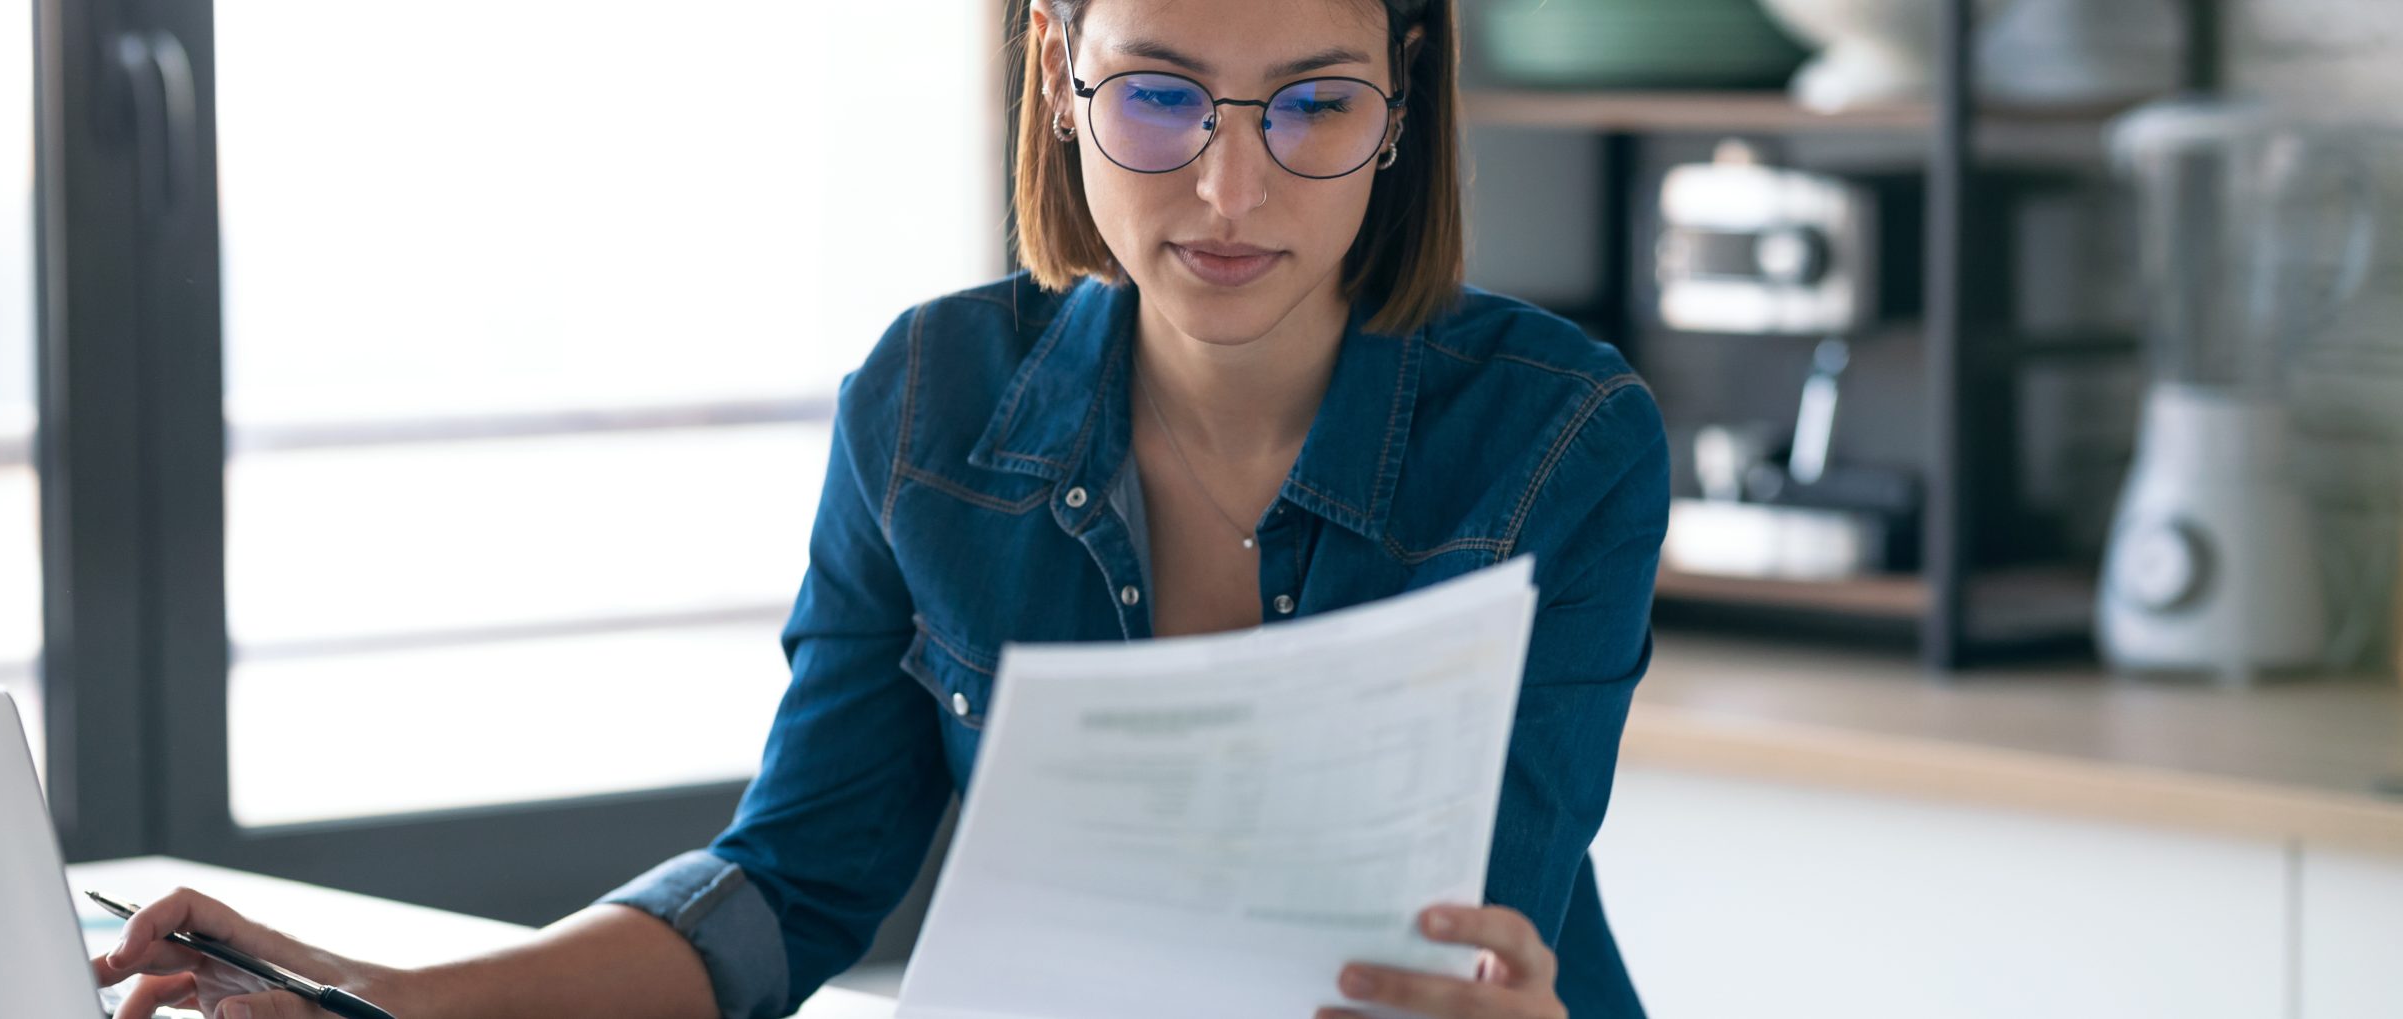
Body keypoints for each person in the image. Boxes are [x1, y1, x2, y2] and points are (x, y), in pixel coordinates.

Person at [96, 0, 1669, 1016]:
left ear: (1402, 103)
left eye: (1314, 106)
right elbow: (789, 888)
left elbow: (1474, 946)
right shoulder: (929, 403)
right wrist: (385, 997)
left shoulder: (1562, 441)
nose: (1230, 193)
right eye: (1163, 99)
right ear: (1059, 72)